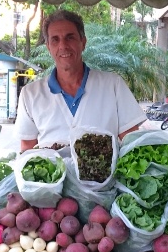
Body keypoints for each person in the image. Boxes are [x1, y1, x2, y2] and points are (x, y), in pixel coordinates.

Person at [14, 10, 147, 151]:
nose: (63, 46)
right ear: (48, 47)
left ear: (83, 42)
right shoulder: (30, 94)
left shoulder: (113, 85)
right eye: (55, 39)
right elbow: (27, 150)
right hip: (53, 173)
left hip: (106, 174)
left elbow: (131, 143)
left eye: (70, 37)